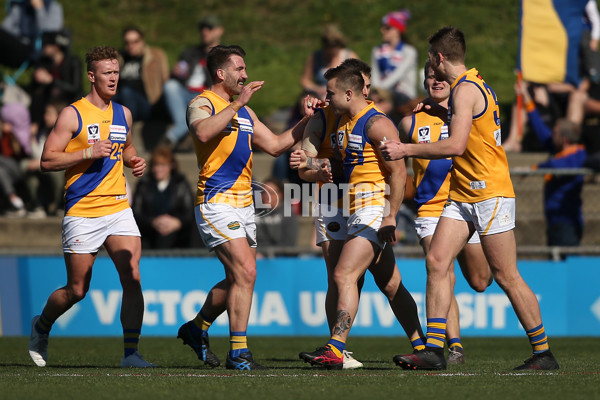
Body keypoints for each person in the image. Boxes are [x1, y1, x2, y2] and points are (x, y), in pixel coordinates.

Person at [381, 26, 559, 370]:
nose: (431, 65)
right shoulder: (475, 85)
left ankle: (543, 353)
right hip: (462, 193)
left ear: (440, 57)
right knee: (437, 261)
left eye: (432, 58)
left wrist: (406, 148)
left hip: (488, 192)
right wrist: (436, 110)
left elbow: (456, 145)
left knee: (505, 276)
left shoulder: (465, 91)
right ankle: (434, 350)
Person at [177, 44, 319, 370]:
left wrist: (305, 121)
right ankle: (238, 353)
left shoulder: (245, 113)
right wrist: (237, 104)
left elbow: (276, 145)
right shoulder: (202, 103)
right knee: (247, 271)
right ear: (220, 73)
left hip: (244, 204)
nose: (245, 74)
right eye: (239, 69)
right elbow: (201, 132)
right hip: (216, 202)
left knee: (237, 279)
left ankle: (197, 328)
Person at [291, 58, 424, 369]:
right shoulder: (339, 121)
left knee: (343, 275)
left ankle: (335, 349)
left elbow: (398, 173)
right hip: (345, 207)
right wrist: (315, 168)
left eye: (331, 93)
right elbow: (311, 168)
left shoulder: (377, 123)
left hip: (372, 208)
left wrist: (390, 215)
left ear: (349, 94)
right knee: (390, 283)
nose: (326, 97)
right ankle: (424, 347)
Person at [28, 45, 153, 368]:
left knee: (133, 275)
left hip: (117, 207)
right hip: (83, 210)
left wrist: (133, 160)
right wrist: (87, 153)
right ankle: (41, 325)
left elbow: (127, 146)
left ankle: (131, 354)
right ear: (91, 76)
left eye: (116, 71)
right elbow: (47, 160)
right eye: (107, 72)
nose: (113, 78)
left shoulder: (123, 113)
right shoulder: (73, 114)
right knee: (77, 290)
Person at [398, 59, 493, 364]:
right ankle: (453, 346)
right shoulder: (410, 124)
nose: (436, 81)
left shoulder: (463, 113)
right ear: (424, 82)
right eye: (430, 77)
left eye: (440, 77)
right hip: (431, 210)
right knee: (441, 270)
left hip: (467, 204)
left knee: (480, 280)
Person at [515, 80, 588, 247]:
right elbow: (540, 128)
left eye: (555, 133)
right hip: (554, 220)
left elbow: (557, 165)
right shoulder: (559, 150)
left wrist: (533, 169)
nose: (551, 135)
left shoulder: (578, 154)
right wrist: (526, 98)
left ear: (565, 139)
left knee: (566, 262)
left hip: (567, 221)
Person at [162, 15, 224, 148]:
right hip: (185, 93)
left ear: (219, 31)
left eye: (209, 28)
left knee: (192, 115)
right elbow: (181, 72)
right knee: (170, 85)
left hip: (205, 96)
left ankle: (170, 138)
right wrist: (176, 72)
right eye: (202, 28)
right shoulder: (190, 52)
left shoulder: (223, 56)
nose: (204, 32)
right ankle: (181, 126)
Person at [131, 144, 195, 249]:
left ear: (171, 165)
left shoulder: (181, 183)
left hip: (177, 236)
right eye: (156, 165)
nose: (158, 169)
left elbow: (189, 212)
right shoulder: (144, 184)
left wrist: (177, 222)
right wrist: (153, 222)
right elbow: (136, 212)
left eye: (163, 165)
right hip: (150, 234)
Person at [28, 29, 82, 133]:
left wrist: (51, 81)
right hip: (49, 105)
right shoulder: (44, 63)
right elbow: (35, 90)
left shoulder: (73, 62)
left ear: (56, 47)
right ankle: (37, 127)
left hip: (68, 103)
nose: (43, 48)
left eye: (46, 45)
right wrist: (36, 79)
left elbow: (76, 88)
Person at [113, 26, 169, 123]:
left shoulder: (155, 56)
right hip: (120, 100)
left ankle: (127, 131)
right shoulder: (119, 58)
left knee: (127, 92)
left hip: (148, 104)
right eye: (127, 42)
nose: (131, 46)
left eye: (135, 42)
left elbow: (165, 80)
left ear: (143, 41)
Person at [370, 10, 418, 108]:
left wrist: (379, 91)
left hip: (404, 96)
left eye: (387, 28)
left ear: (397, 30)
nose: (382, 30)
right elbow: (374, 75)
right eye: (382, 27)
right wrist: (376, 91)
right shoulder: (377, 51)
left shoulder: (409, 52)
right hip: (380, 93)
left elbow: (397, 75)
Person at [300, 23, 359, 100]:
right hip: (321, 98)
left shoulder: (350, 56)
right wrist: (317, 89)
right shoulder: (315, 57)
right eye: (328, 51)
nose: (331, 55)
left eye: (334, 51)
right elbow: (305, 80)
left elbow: (360, 80)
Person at [0, 0, 63, 68]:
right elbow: (5, 28)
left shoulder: (54, 8)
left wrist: (39, 9)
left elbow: (48, 35)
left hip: (29, 51)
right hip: (10, 45)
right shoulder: (22, 5)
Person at [254, 176, 298, 258]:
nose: (267, 196)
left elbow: (289, 242)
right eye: (264, 192)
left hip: (281, 258)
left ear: (280, 194)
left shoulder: (288, 212)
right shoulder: (254, 212)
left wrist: (269, 254)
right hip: (257, 256)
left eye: (271, 192)